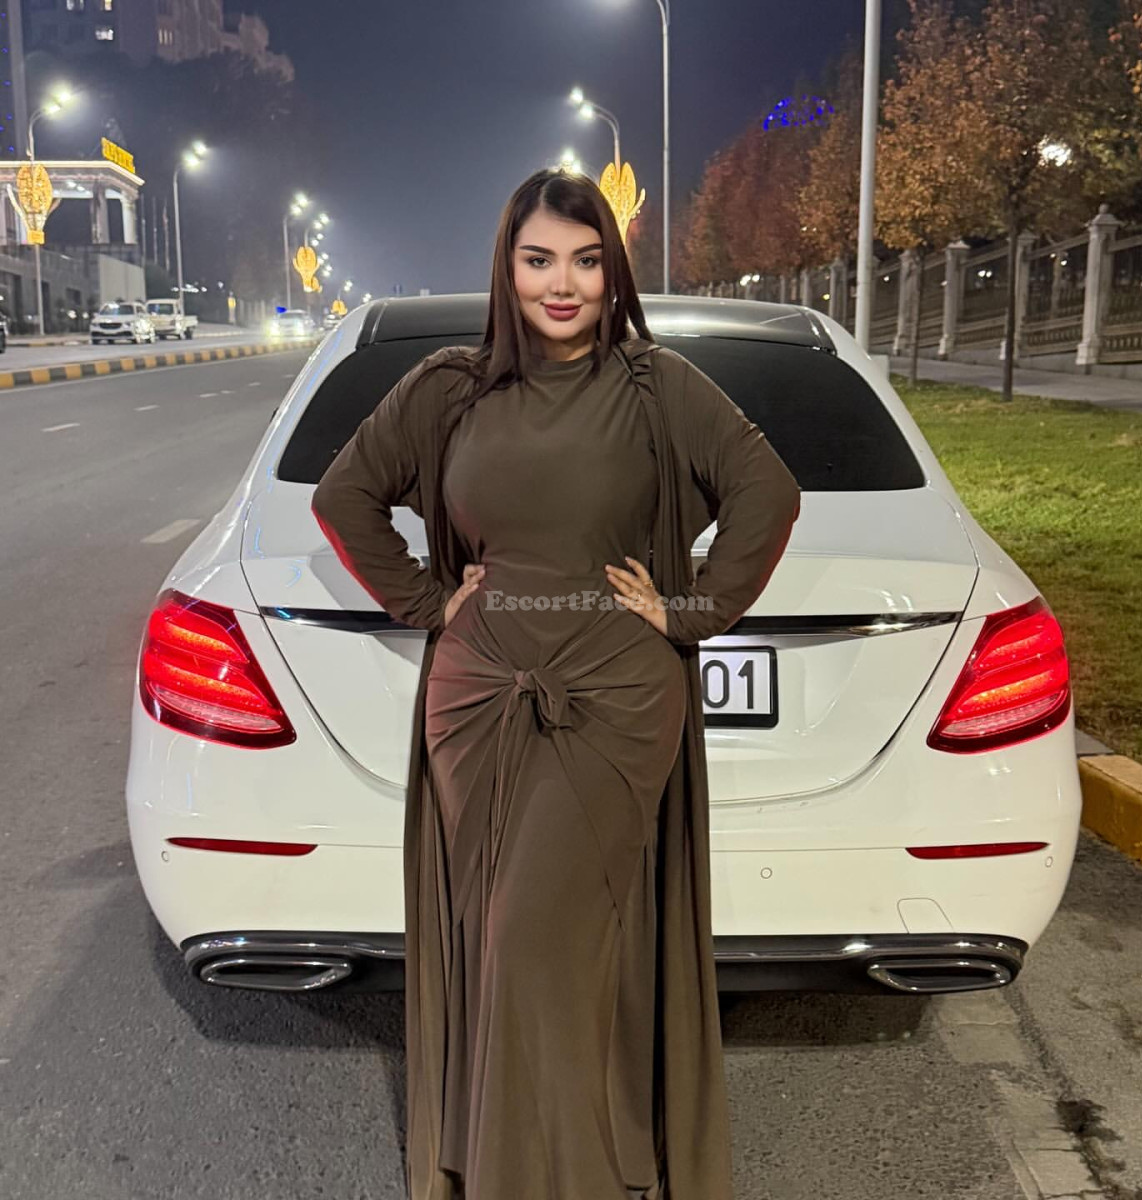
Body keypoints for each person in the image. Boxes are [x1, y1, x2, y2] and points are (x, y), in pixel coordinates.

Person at [310, 168, 802, 1200]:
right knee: (508, 939)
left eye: (585, 261)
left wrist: (692, 611)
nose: (562, 284)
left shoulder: (656, 385)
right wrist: (425, 598)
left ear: (612, 271)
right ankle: (575, 1152)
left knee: (538, 938)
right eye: (539, 260)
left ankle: (542, 1174)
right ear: (508, 265)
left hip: (614, 700)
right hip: (477, 701)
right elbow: (345, 494)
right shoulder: (449, 387)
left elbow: (767, 489)